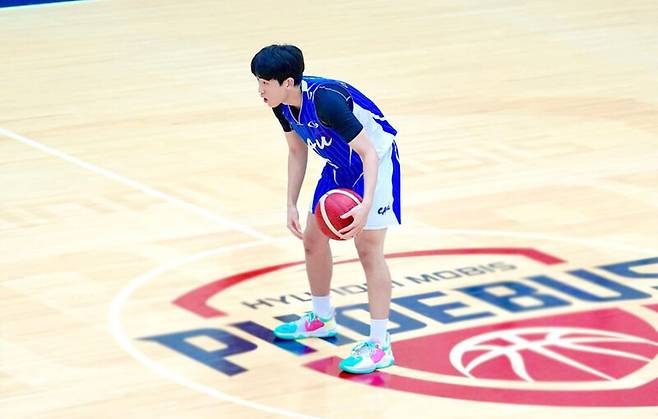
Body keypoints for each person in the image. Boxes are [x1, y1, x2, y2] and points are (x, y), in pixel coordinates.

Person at [251, 44, 401, 374]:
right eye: (258, 82)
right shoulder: (281, 105)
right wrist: (290, 203)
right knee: (312, 240)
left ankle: (380, 344)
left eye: (264, 83)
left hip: (375, 163)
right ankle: (322, 318)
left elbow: (369, 153)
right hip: (339, 164)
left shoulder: (326, 101)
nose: (260, 90)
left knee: (369, 250)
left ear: (287, 82)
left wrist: (365, 205)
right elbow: (296, 150)